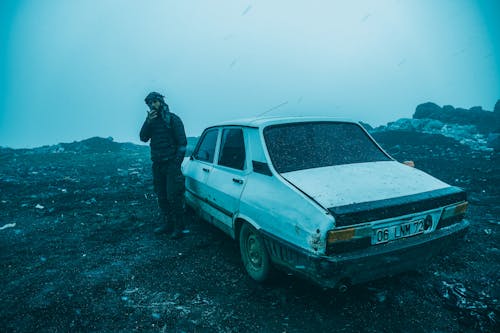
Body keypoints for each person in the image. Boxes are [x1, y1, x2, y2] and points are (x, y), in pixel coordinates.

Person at [140, 91, 187, 239]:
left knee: (173, 195)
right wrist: (147, 122)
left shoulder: (173, 119)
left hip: (171, 164)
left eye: (155, 101)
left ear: (161, 101)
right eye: (150, 103)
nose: (153, 105)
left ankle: (179, 227)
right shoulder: (151, 121)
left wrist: (175, 163)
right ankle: (168, 224)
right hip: (158, 164)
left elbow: (182, 144)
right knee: (161, 196)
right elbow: (143, 138)